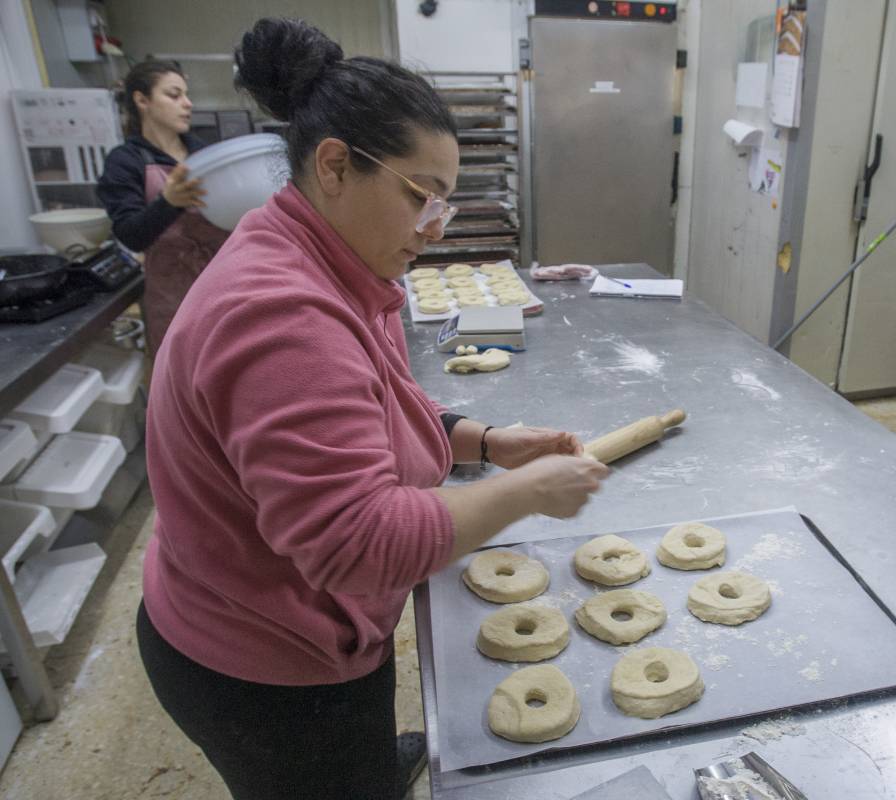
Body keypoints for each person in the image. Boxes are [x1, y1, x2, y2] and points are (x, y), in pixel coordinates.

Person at [134, 17, 610, 800]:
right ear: (333, 165)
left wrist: (484, 441)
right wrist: (527, 494)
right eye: (423, 195)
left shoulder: (328, 256)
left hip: (274, 618)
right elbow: (355, 545)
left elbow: (377, 401)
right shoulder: (282, 316)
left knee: (356, 768)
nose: (435, 226)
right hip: (266, 666)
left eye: (446, 205)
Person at [97, 60, 228, 357]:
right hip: (173, 300)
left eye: (186, 95)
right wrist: (168, 203)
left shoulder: (207, 154)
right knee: (182, 388)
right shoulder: (125, 162)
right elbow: (131, 235)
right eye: (174, 95)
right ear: (142, 100)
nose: (187, 103)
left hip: (223, 290)